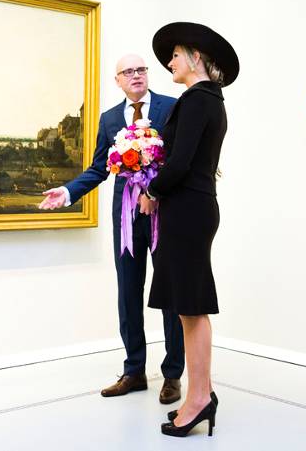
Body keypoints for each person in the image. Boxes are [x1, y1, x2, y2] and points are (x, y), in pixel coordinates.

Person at [39, 54, 184, 404]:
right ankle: (134, 371)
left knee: (169, 293)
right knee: (128, 292)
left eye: (141, 69)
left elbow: (181, 159)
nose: (136, 75)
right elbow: (98, 169)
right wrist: (69, 190)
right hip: (127, 215)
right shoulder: (108, 119)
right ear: (117, 80)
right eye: (128, 72)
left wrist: (155, 190)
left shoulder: (172, 107)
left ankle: (172, 375)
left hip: (165, 210)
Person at [139, 22, 238, 437]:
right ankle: (203, 394)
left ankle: (199, 399)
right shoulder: (205, 100)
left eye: (176, 55)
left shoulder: (198, 100)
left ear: (196, 57)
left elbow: (178, 164)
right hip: (192, 208)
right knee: (188, 306)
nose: (169, 62)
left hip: (188, 210)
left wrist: (151, 191)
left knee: (192, 307)